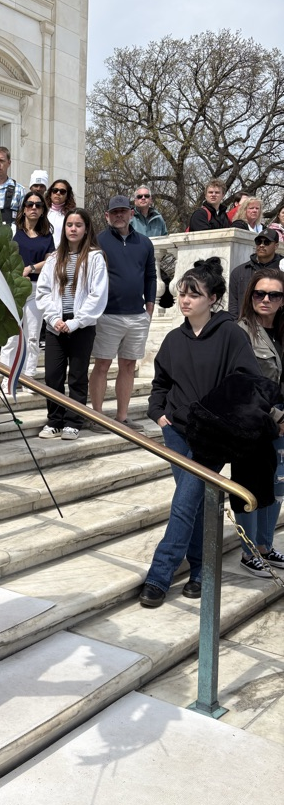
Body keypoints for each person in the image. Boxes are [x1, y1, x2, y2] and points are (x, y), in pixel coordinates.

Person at [140, 259, 262, 607]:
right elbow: (160, 383)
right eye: (182, 292)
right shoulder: (174, 339)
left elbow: (247, 384)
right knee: (190, 503)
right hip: (175, 432)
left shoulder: (231, 335)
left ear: (214, 299)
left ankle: (159, 577)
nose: (185, 300)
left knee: (184, 504)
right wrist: (158, 414)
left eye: (195, 294)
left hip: (212, 436)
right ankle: (198, 572)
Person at [36, 208, 108, 439]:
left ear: (86, 228)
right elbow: (44, 291)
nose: (73, 229)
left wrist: (77, 322)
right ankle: (54, 420)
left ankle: (73, 421)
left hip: (81, 326)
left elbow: (98, 295)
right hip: (56, 325)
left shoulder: (95, 257)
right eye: (69, 225)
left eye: (78, 225)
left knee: (77, 376)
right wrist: (54, 319)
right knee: (52, 376)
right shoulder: (55, 258)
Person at [89, 195, 156, 431]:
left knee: (128, 365)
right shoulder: (97, 242)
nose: (119, 215)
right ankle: (97, 415)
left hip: (137, 315)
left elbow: (150, 276)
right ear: (107, 216)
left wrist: (150, 305)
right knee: (102, 365)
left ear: (131, 213)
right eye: (114, 212)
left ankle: (122, 416)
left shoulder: (145, 243)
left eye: (123, 211)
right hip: (108, 314)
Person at [234, 270, 284, 574]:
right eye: (259, 294)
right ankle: (249, 550)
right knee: (249, 486)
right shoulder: (241, 332)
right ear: (250, 296)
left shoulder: (282, 331)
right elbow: (242, 382)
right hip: (253, 422)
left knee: (277, 486)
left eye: (274, 295)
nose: (265, 300)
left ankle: (266, 545)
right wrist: (278, 417)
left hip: (281, 423)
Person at [0, 189, 55, 381]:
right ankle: (7, 374)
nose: (33, 208)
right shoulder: (14, 232)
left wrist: (30, 268)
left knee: (32, 335)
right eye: (29, 204)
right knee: (11, 334)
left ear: (42, 210)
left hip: (35, 289)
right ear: (23, 208)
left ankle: (29, 375)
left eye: (38, 205)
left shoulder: (47, 236)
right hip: (13, 288)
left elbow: (50, 262)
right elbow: (4, 257)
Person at [227, 228, 283, 319]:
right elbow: (233, 306)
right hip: (245, 326)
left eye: (266, 242)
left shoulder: (282, 269)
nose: (261, 245)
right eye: (258, 241)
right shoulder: (239, 272)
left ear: (276, 246)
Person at [0, 146, 25, 228]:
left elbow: (25, 219)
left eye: (1, 161)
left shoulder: (19, 190)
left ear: (9, 163)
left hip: (12, 238)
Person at [44, 178, 76, 248]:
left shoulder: (71, 215)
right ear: (50, 193)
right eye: (55, 190)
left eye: (62, 191)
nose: (58, 193)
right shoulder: (43, 212)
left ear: (67, 196)